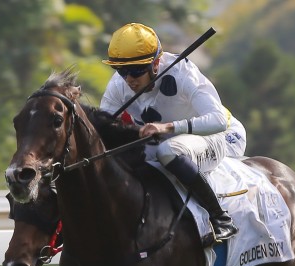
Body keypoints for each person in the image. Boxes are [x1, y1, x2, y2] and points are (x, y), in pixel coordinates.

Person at [100, 23, 246, 244]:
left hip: (220, 136)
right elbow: (103, 132)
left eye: (137, 70)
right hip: (164, 143)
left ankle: (221, 218)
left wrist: (168, 127)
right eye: (121, 71)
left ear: (156, 63)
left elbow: (217, 120)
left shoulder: (183, 73)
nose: (129, 79)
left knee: (168, 151)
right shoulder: (118, 87)